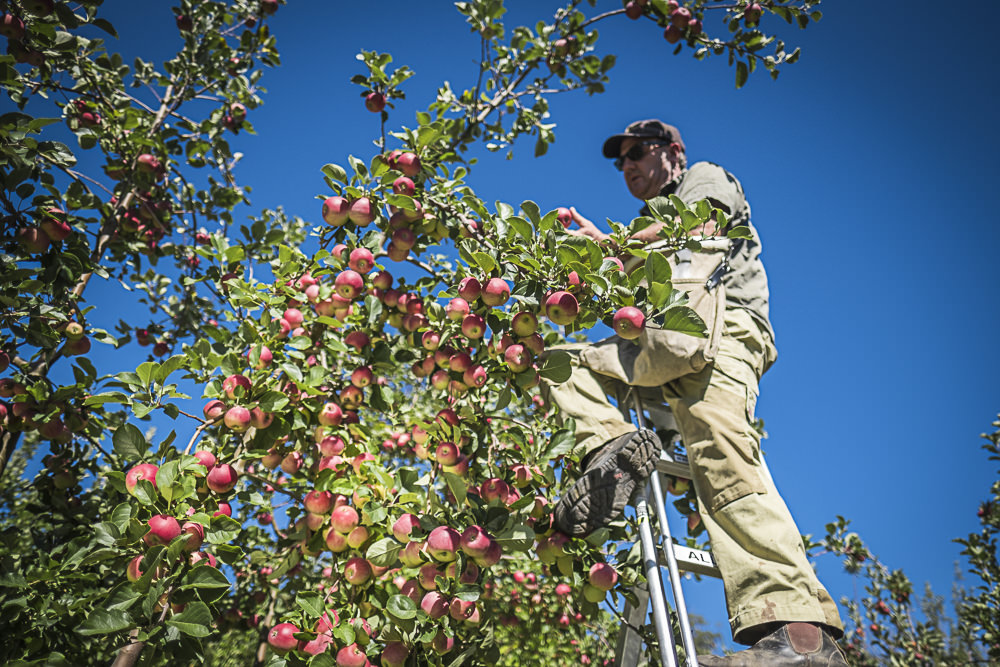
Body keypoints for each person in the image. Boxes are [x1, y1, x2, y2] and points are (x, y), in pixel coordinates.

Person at [543, 120, 848, 666]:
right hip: (659, 346)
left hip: (722, 329)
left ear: (673, 153)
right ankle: (612, 447)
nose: (628, 165)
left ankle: (801, 637)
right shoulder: (640, 229)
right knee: (559, 362)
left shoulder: (704, 180)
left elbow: (695, 224)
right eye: (621, 161)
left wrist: (605, 248)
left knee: (720, 447)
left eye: (637, 152)